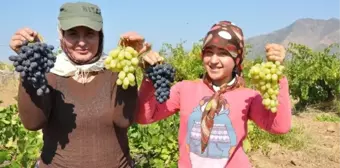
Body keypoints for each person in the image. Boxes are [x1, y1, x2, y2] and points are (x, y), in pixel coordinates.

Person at [9, 2, 154, 168]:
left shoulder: (114, 70)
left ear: (101, 36)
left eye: (90, 34)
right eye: (73, 34)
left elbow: (124, 120)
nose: (82, 42)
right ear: (61, 35)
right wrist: (30, 65)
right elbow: (32, 123)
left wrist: (129, 62)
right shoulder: (50, 72)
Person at [136, 20, 292, 168]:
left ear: (237, 59)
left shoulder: (248, 96)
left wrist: (278, 77)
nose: (213, 60)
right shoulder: (184, 89)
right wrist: (150, 77)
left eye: (224, 53)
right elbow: (145, 117)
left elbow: (280, 127)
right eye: (209, 52)